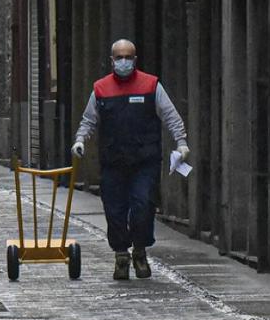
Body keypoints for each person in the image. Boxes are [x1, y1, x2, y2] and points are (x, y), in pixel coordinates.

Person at [72, 39, 190, 281]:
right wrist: (80, 139)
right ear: (112, 61)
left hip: (144, 161)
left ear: (135, 60)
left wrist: (181, 142)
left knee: (143, 205)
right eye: (119, 57)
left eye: (128, 57)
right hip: (113, 161)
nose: (123, 62)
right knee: (114, 211)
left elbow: (170, 115)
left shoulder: (151, 85)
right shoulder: (101, 89)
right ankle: (121, 255)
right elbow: (89, 119)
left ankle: (140, 250)